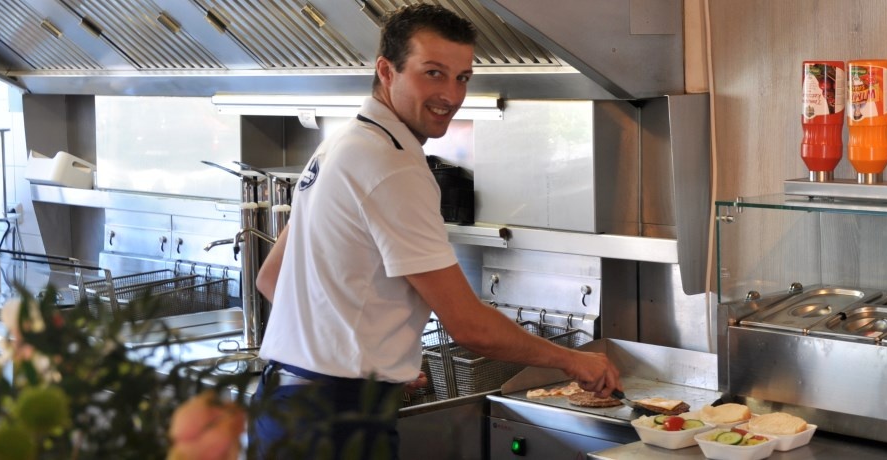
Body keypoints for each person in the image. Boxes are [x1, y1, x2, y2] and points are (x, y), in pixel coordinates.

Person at [249, 4, 621, 458]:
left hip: (285, 404)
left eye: (462, 77)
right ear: (386, 71)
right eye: (433, 73)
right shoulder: (392, 167)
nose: (451, 94)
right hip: (334, 420)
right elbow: (468, 326)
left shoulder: (341, 144)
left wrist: (374, 358)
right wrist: (572, 359)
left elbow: (272, 278)